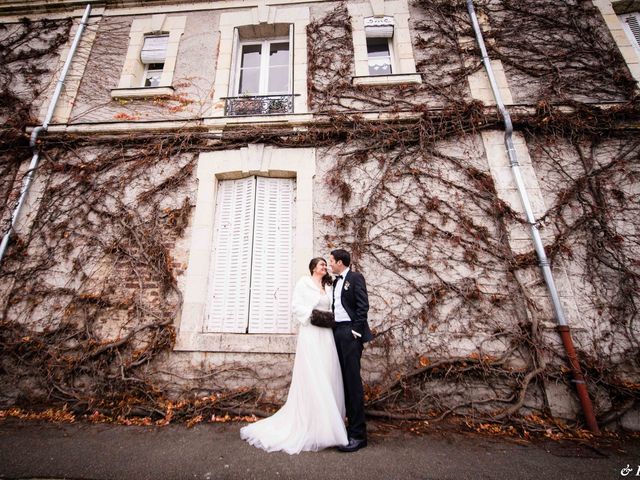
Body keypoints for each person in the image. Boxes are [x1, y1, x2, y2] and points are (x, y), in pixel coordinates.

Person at [240, 257, 348, 454]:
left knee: (327, 372)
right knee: (313, 374)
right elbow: (296, 306)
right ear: (313, 268)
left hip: (326, 335)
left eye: (326, 264)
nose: (325, 267)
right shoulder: (304, 283)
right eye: (322, 264)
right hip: (312, 333)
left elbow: (334, 307)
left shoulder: (329, 286)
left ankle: (328, 424)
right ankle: (311, 425)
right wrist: (314, 315)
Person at [329, 249, 374, 453]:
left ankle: (358, 435)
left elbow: (363, 306)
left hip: (349, 333)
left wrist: (355, 331)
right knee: (343, 381)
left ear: (340, 262)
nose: (330, 264)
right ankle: (349, 429)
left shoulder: (355, 278)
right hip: (336, 332)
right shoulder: (335, 281)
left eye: (331, 261)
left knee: (353, 382)